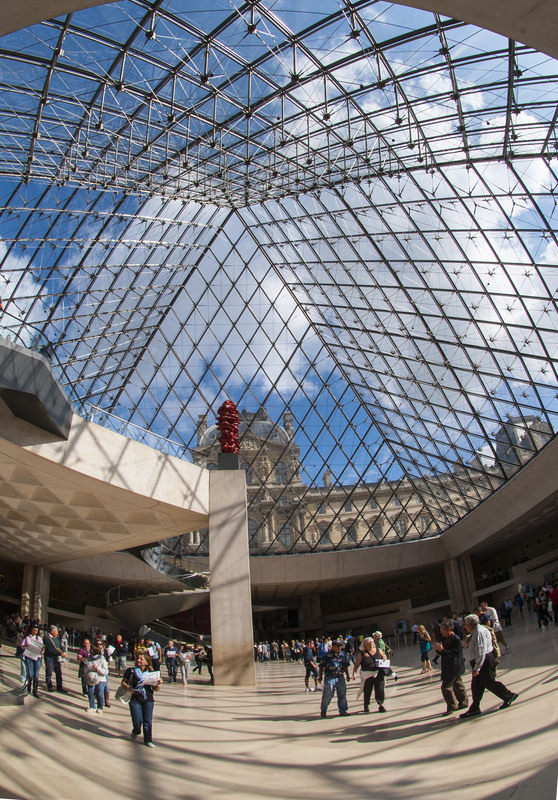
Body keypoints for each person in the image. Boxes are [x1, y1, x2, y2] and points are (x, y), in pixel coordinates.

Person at [459, 614, 518, 719]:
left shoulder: (479, 633)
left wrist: (477, 668)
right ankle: (475, 708)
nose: (465, 627)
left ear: (471, 625)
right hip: (481, 661)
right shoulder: (477, 631)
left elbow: (481, 651)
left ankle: (508, 695)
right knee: (476, 686)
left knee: (490, 683)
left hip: (483, 662)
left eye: (466, 625)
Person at [121, 652, 162, 747]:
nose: (138, 660)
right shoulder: (131, 671)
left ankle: (148, 740)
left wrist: (158, 683)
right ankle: (136, 729)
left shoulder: (152, 673)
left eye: (141, 659)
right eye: (138, 659)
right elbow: (123, 682)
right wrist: (129, 689)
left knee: (147, 721)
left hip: (148, 699)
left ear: (147, 662)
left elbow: (156, 689)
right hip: (135, 697)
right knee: (137, 719)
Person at [434, 621, 468, 716]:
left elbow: (454, 653)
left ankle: (452, 705)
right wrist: (439, 650)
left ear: (449, 629)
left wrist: (442, 650)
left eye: (443, 629)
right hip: (449, 665)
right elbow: (444, 652)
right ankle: (463, 702)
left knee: (446, 686)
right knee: (457, 683)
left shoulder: (455, 639)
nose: (441, 632)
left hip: (453, 665)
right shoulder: (445, 638)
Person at [352, 636, 386, 713]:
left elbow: (384, 657)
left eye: (372, 643)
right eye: (368, 643)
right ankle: (366, 704)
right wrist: (354, 673)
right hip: (367, 675)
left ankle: (380, 705)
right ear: (364, 645)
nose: (371, 645)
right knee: (367, 690)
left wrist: (384, 660)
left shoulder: (378, 650)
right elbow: (356, 665)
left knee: (380, 689)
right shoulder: (361, 654)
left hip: (378, 673)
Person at [318, 639, 350, 718]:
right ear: (333, 647)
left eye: (340, 646)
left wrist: (348, 675)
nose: (340, 648)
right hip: (329, 678)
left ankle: (343, 710)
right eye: (338, 646)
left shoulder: (343, 654)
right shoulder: (327, 655)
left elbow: (345, 666)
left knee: (342, 694)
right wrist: (320, 676)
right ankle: (323, 710)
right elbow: (321, 666)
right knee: (328, 694)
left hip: (340, 677)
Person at [83, 644, 109, 713]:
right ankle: (92, 706)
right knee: (91, 692)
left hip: (101, 679)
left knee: (100, 693)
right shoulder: (89, 659)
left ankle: (100, 707)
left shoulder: (102, 659)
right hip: (91, 678)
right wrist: (90, 668)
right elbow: (86, 669)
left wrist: (98, 669)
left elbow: (106, 671)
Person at [43, 625, 68, 693]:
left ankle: (59, 687)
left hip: (56, 658)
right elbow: (51, 649)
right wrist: (61, 653)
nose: (57, 633)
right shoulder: (46, 638)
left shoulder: (56, 637)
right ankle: (49, 685)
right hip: (49, 657)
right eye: (56, 632)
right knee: (49, 671)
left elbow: (60, 646)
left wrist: (63, 651)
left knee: (59, 673)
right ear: (52, 632)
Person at [21, 624, 44, 697]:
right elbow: (22, 646)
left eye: (36, 631)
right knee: (30, 673)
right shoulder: (27, 637)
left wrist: (42, 650)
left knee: (36, 674)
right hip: (29, 656)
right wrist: (26, 646)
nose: (35, 632)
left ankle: (35, 690)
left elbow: (41, 649)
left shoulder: (39, 638)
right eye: (34, 630)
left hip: (37, 657)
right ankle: (29, 688)